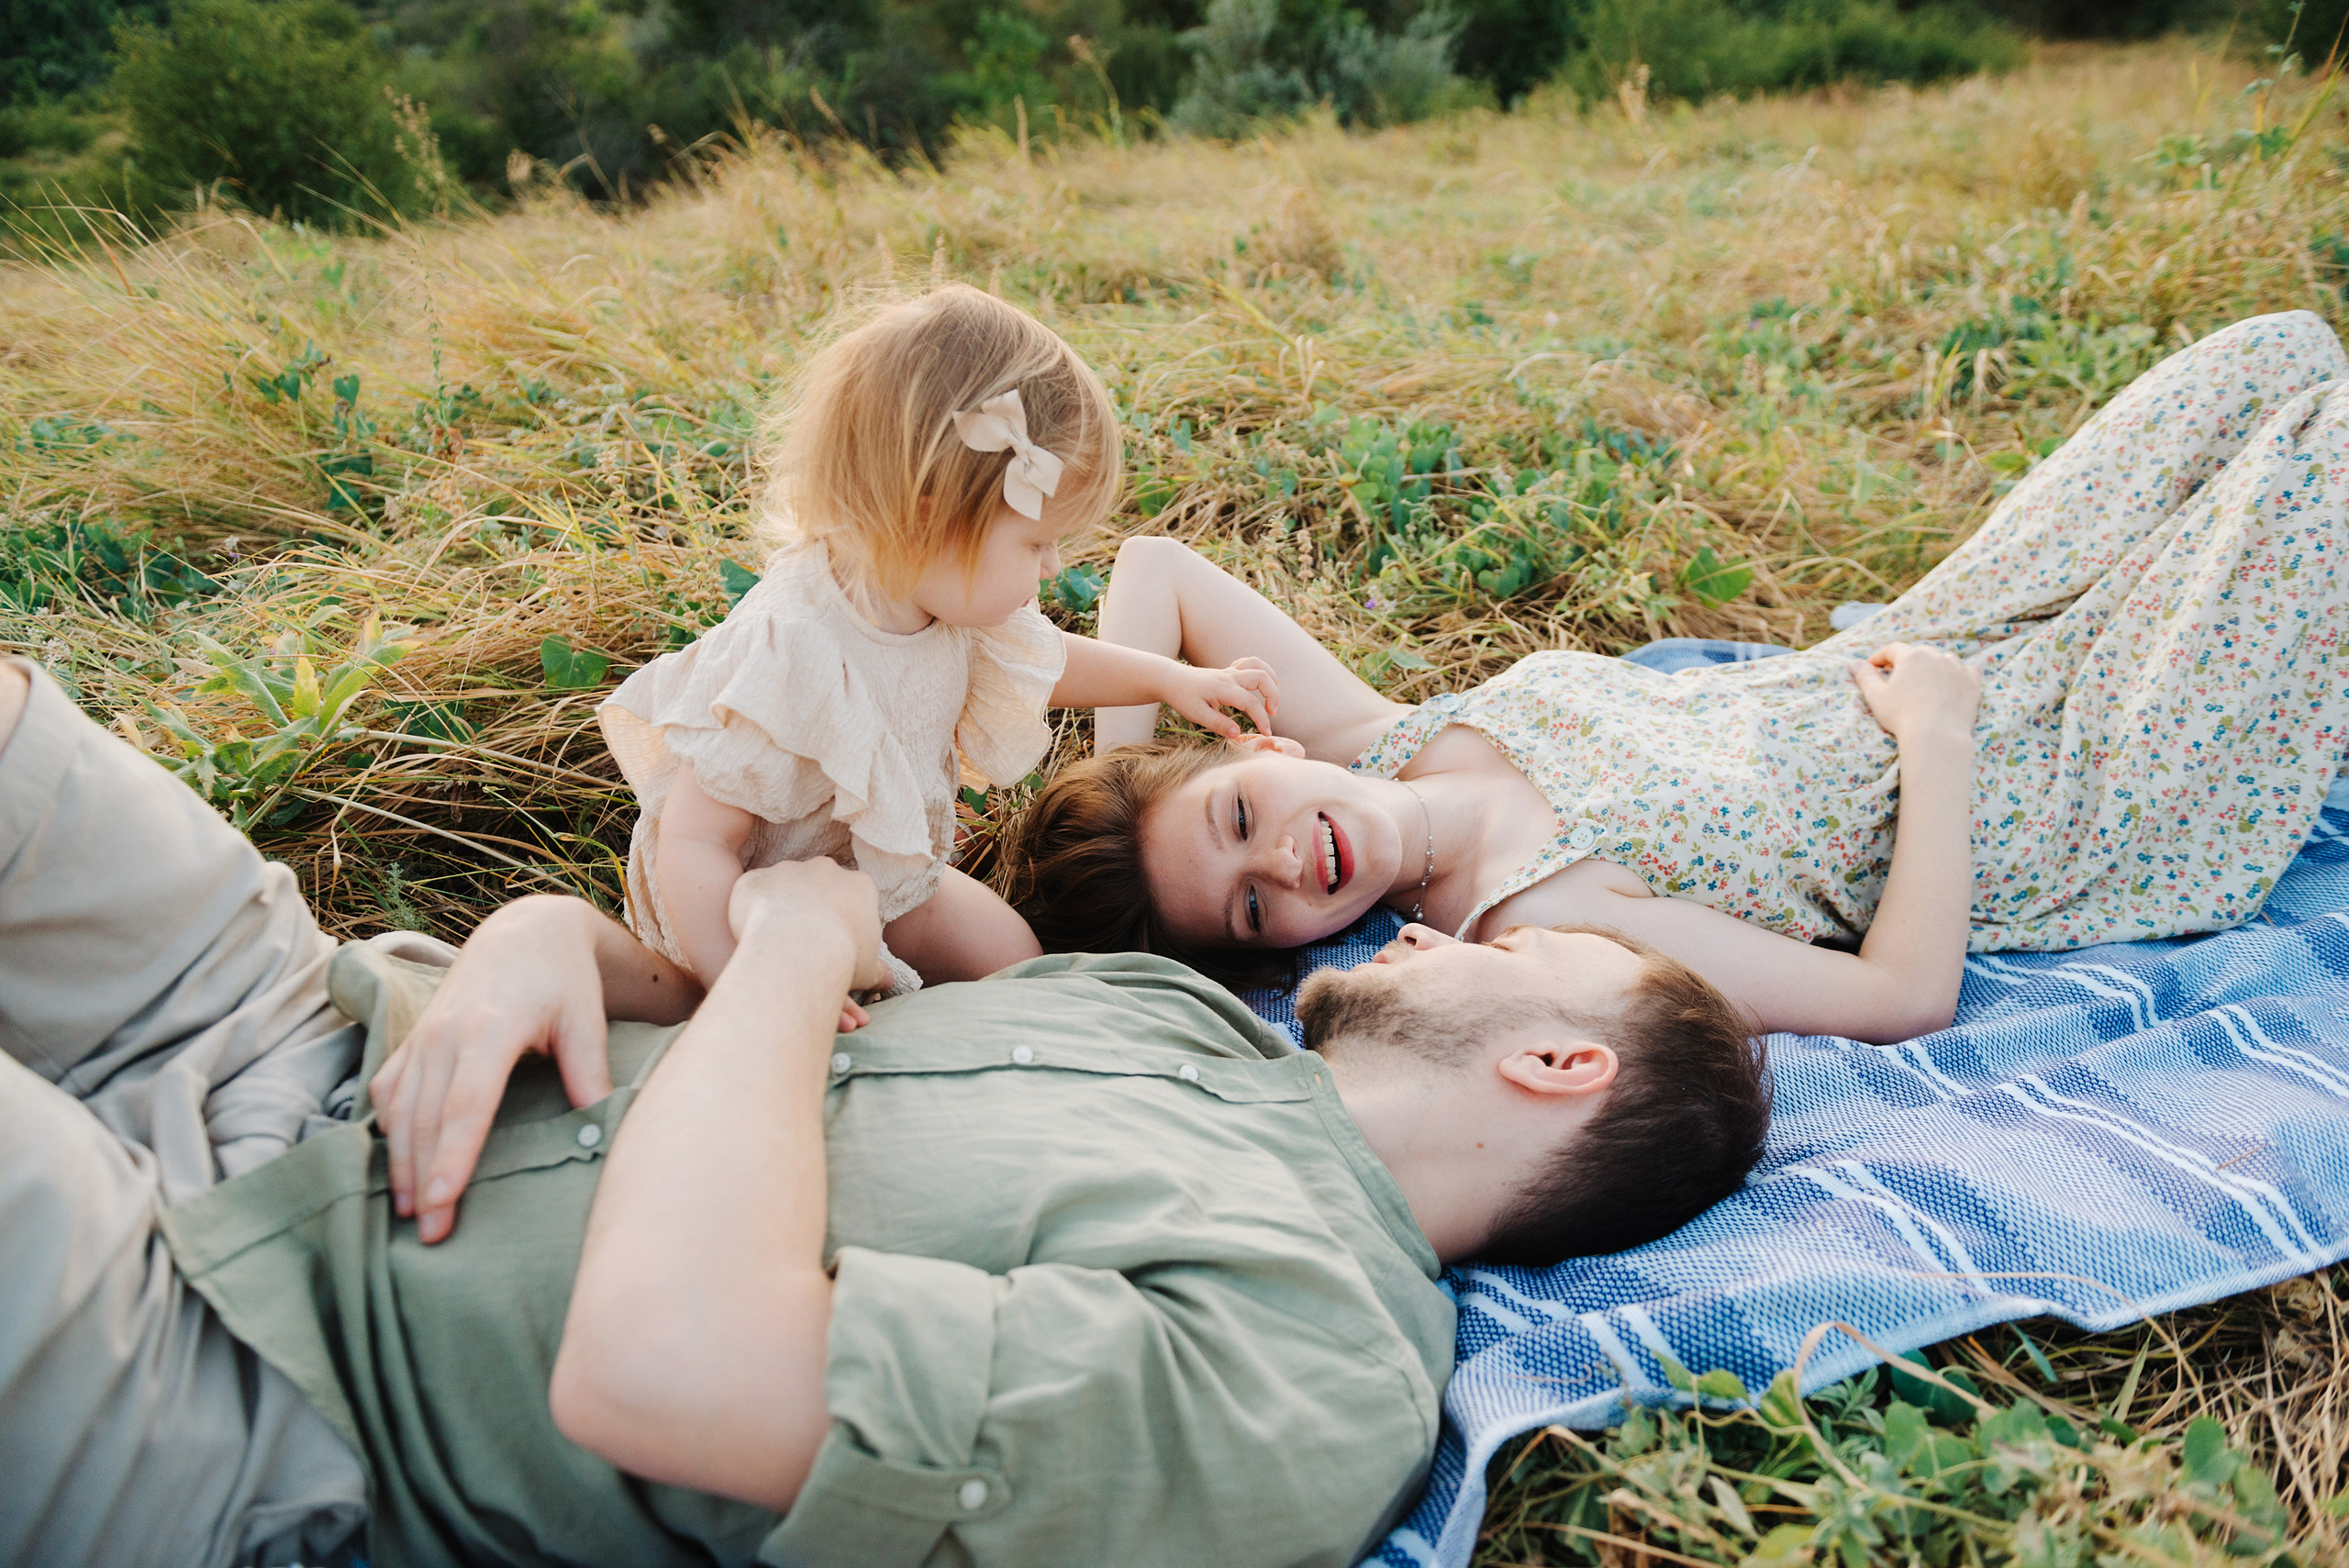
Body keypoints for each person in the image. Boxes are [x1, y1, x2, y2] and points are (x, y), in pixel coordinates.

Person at [0, 654, 1767, 1568]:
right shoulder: (1167, 1008)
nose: (1450, 936)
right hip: (299, 1027)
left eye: (1547, 955)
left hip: (252, 1378)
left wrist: (801, 934)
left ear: (1560, 1062)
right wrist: (559, 939)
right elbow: (753, 1025)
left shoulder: (1312, 1369)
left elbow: (664, 1365)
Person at [1008, 311, 2349, 1044]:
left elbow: (1161, 570)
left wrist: (1122, 765)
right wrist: (1939, 743)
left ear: (1254, 745)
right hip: (2041, 786)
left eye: (1241, 823)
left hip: (1925, 641)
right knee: (2323, 448)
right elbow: (1899, 1001)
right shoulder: (1544, 919)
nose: (1291, 868)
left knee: (2277, 354)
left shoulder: (1381, 736)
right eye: (1251, 916)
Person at [598, 284, 1278, 999]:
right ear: (931, 518)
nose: (1053, 567)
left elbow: (1046, 665)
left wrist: (1170, 679)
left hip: (883, 880)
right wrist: (741, 982)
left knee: (1019, 960)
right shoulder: (793, 646)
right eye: (1038, 542)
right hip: (757, 909)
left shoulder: (943, 595)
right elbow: (695, 845)